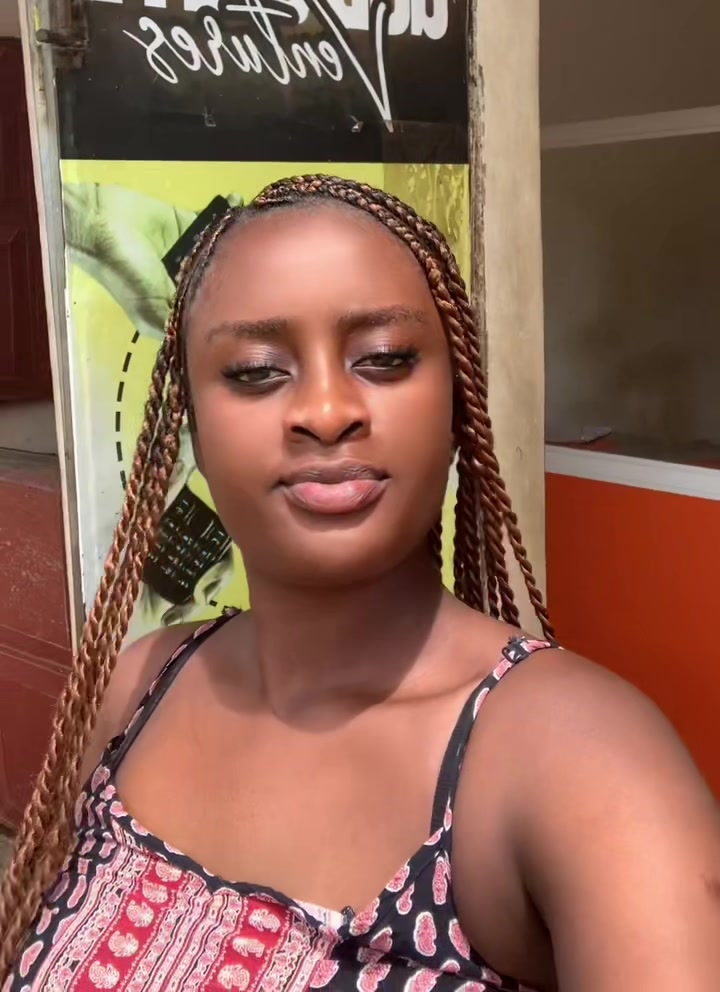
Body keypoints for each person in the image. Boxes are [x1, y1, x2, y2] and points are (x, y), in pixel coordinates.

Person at [1, 174, 717, 991]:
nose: (327, 409)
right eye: (257, 370)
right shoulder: (137, 687)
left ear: (458, 405)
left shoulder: (581, 759)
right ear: (189, 425)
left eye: (384, 358)